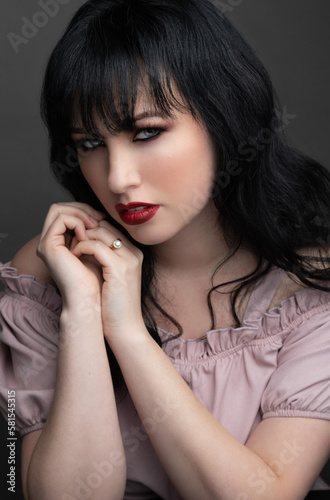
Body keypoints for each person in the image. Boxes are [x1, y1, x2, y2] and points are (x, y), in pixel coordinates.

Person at [0, 0, 329, 498]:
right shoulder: (51, 270)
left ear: (226, 115)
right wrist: (84, 314)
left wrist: (129, 334)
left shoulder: (308, 286)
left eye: (147, 132)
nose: (117, 178)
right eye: (90, 143)